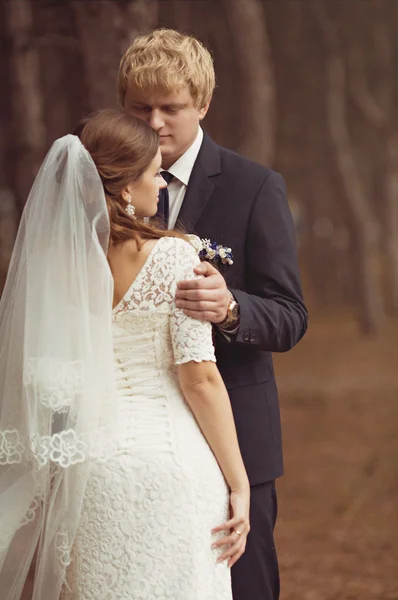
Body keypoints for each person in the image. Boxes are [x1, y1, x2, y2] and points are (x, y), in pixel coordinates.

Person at [0, 108, 250, 600]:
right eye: (154, 172)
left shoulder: (53, 268)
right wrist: (238, 484)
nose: (161, 184)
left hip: (87, 479)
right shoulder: (176, 257)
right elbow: (200, 380)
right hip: (171, 471)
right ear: (121, 187)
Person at [118, 29, 308, 600]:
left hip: (238, 435)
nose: (154, 123)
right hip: (136, 441)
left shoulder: (255, 187)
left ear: (203, 104)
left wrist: (230, 309)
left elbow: (290, 315)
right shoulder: (99, 190)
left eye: (170, 108)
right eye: (139, 108)